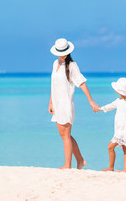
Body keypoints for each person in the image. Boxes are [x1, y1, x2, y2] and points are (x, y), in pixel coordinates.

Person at [49, 38, 99, 169]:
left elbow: (81, 83)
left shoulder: (72, 66)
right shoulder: (55, 64)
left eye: (64, 52)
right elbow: (53, 85)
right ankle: (80, 160)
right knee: (65, 135)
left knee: (65, 135)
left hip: (65, 104)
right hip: (57, 103)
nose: (62, 54)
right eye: (60, 52)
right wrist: (50, 102)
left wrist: (91, 100)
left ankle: (68, 165)